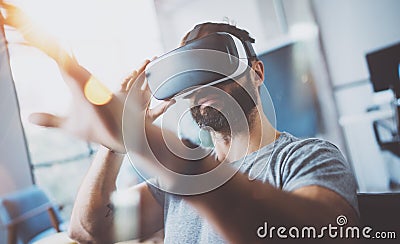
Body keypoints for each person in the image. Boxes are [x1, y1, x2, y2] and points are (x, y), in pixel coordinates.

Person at [2, 4, 359, 243]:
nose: (203, 86)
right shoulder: (173, 188)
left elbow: (322, 232)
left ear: (257, 73)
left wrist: (152, 146)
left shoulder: (304, 159)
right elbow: (88, 231)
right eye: (191, 77)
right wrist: (115, 142)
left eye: (217, 68)